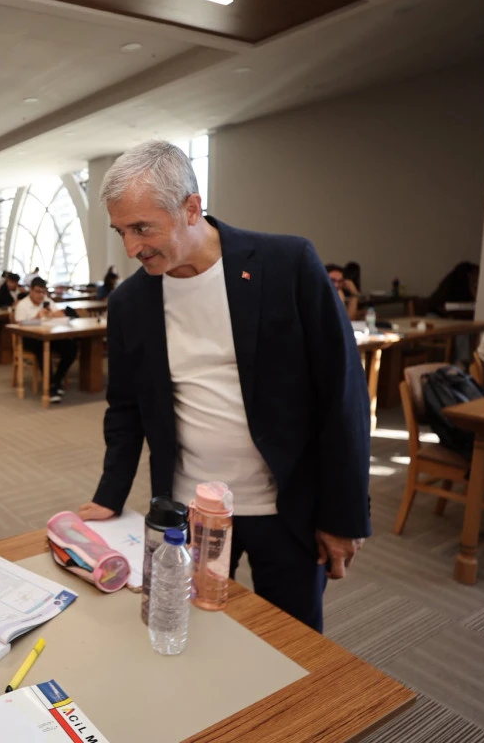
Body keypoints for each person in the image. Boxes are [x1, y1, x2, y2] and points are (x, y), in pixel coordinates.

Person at [75, 141, 370, 633]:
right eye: (120, 231)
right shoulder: (130, 302)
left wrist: (345, 515)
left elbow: (343, 394)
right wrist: (110, 494)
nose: (131, 248)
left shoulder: (287, 264)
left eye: (142, 228)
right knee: (192, 633)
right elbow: (125, 408)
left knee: (291, 642)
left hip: (286, 508)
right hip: (189, 515)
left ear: (191, 208)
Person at [13, 277, 78, 404]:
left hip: (49, 335)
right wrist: (37, 317)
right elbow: (19, 324)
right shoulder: (23, 305)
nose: (41, 295)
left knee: (71, 347)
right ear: (31, 290)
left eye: (43, 292)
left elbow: (61, 315)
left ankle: (56, 380)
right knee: (43, 349)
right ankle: (50, 388)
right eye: (38, 291)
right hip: (29, 338)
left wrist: (52, 314)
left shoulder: (47, 301)